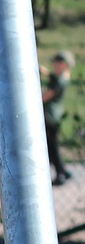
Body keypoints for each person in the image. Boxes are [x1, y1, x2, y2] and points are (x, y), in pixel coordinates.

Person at [46, 51, 73, 186]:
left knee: (52, 147)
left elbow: (47, 96)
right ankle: (62, 171)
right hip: (54, 115)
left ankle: (60, 174)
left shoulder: (60, 80)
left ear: (63, 64)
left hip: (50, 116)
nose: (53, 66)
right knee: (52, 146)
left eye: (56, 63)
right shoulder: (63, 78)